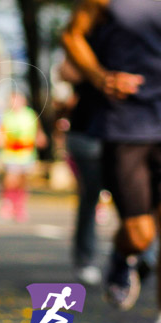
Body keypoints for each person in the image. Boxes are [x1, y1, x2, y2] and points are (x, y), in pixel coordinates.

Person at [62, 0, 161, 323]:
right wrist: (101, 77)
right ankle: (124, 254)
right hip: (126, 123)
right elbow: (72, 35)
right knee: (140, 230)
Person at [58, 56, 106, 285]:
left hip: (129, 131)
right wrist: (100, 73)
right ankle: (85, 260)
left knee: (137, 198)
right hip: (86, 132)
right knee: (90, 195)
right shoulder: (84, 37)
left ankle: (136, 254)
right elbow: (65, 71)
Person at [0, 91, 47, 223]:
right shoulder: (7, 116)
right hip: (11, 153)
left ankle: (19, 206)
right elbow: (0, 130)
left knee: (23, 182)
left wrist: (40, 137)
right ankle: (7, 203)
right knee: (11, 180)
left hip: (27, 153)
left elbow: (38, 130)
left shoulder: (30, 114)